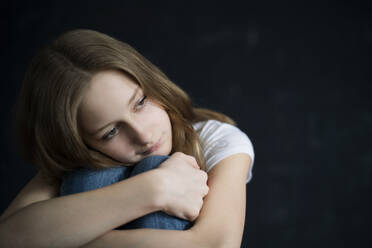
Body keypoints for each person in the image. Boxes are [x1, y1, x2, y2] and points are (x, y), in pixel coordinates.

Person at [0, 29, 255, 247]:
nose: (143, 135)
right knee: (88, 177)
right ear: (81, 142)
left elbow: (215, 244)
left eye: (140, 102)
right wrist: (155, 188)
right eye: (111, 132)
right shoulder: (79, 156)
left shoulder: (216, 139)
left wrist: (71, 240)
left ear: (151, 83)